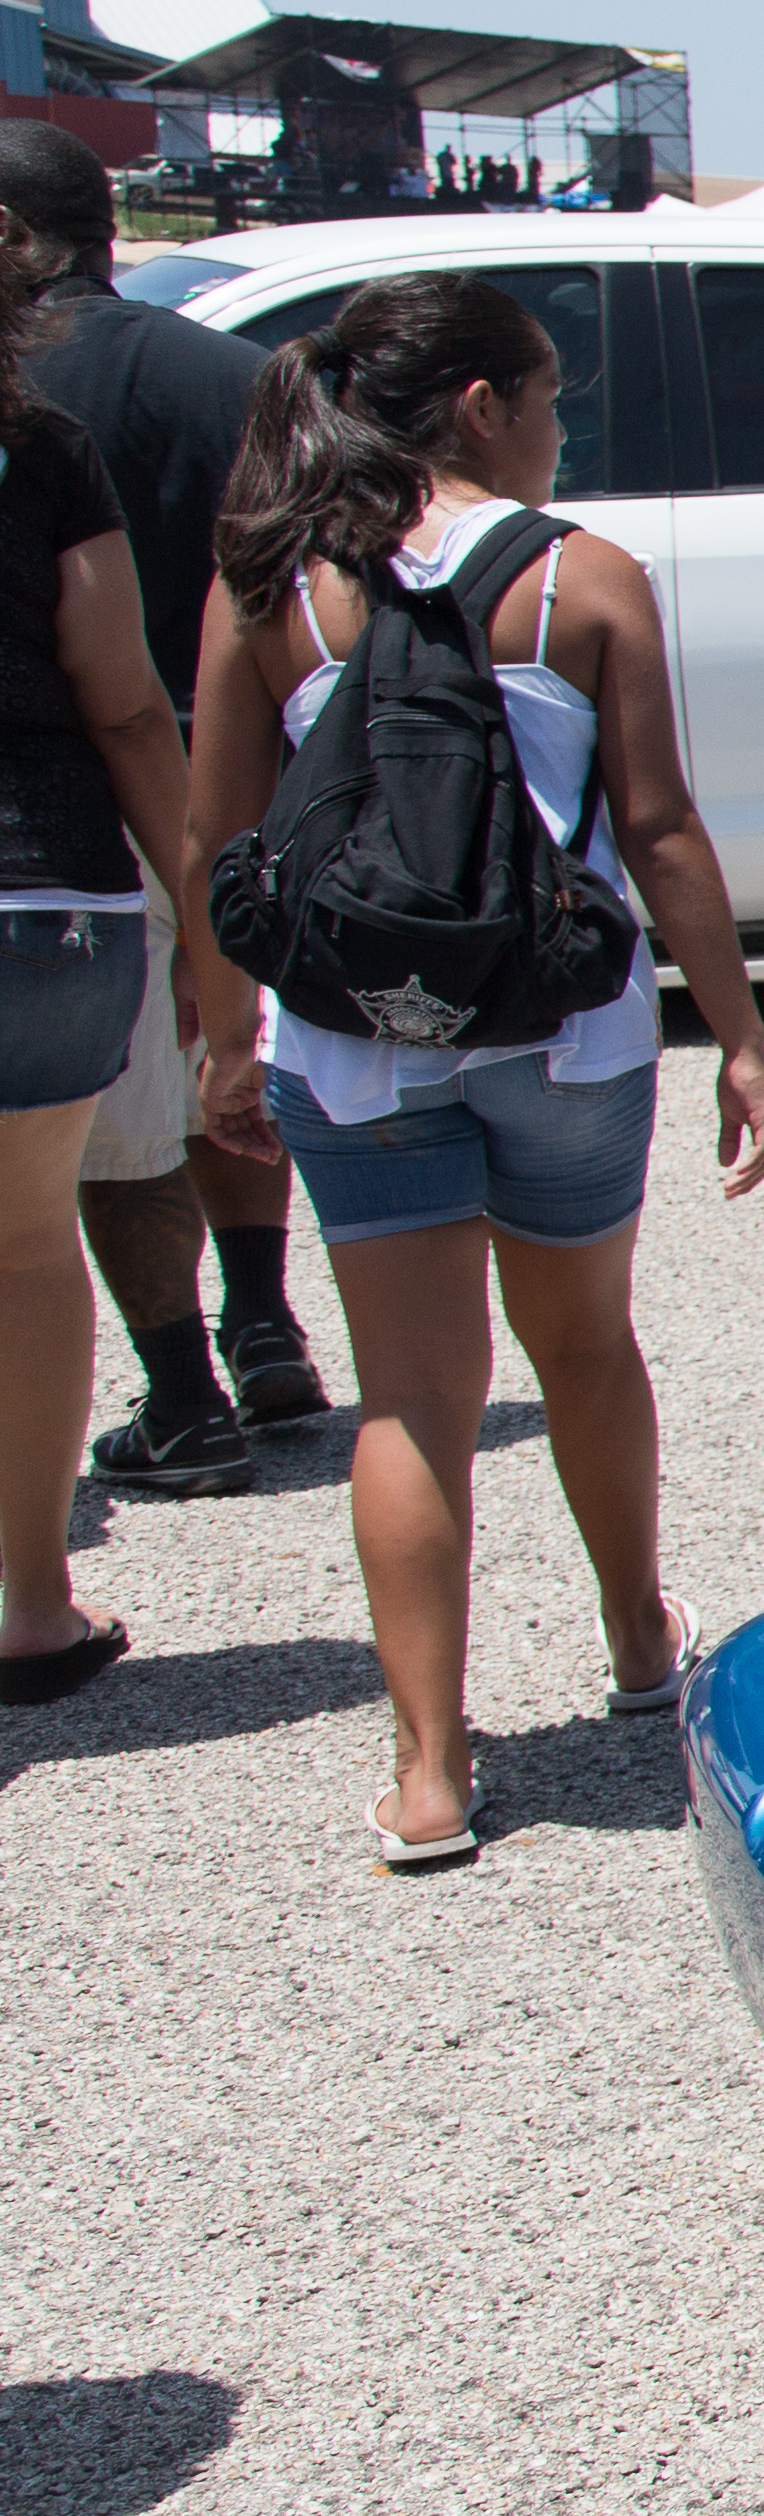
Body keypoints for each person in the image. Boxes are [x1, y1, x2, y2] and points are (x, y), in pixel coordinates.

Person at [191, 274, 764, 1863]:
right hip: (562, 1034)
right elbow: (657, 828)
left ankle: (433, 1769)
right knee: (584, 1348)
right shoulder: (581, 580)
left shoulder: (271, 585)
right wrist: (735, 1032)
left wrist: (219, 1038)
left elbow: (214, 840)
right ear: (476, 408)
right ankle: (638, 1642)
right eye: (547, 397)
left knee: (408, 1398)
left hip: (349, 1042)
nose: (558, 424)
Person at [0, 125, 319, 1498]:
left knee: (113, 1138)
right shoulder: (233, 376)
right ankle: (266, 1325)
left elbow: (113, 690)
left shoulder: (30, 396)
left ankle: (182, 1383)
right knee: (228, 1065)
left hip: (89, 794)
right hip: (228, 769)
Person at [0, 177, 219, 1704]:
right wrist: (204, 924)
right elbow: (129, 703)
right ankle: (28, 1605)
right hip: (46, 896)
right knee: (25, 1250)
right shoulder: (43, 451)